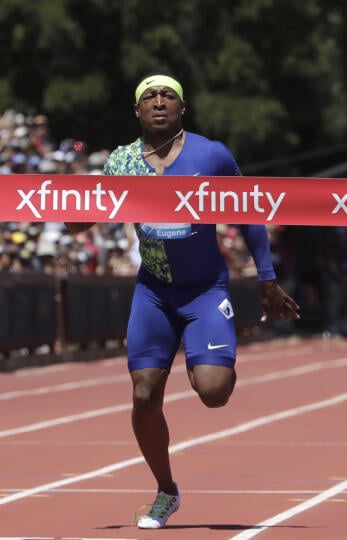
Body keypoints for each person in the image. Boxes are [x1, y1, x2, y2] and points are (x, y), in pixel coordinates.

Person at [66, 74, 300, 529]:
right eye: (148, 97)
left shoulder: (211, 154)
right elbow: (84, 220)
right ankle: (166, 491)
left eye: (167, 95)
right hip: (153, 290)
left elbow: (249, 211)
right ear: (136, 111)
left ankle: (203, 352)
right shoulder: (123, 162)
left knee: (214, 392)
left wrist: (266, 279)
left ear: (182, 107)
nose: (158, 102)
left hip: (205, 289)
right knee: (143, 393)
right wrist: (58, 204)